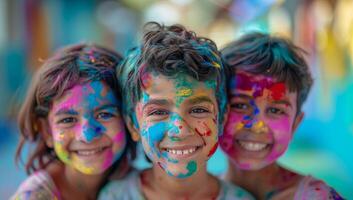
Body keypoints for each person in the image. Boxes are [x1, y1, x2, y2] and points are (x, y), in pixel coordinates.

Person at [98, 22, 254, 200]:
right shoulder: (113, 196)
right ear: (133, 125)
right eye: (158, 112)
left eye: (198, 109)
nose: (179, 130)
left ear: (221, 120)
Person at [219, 32, 344, 199]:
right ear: (217, 112)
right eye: (240, 105)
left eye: (276, 110)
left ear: (295, 125)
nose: (257, 126)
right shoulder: (197, 194)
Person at [12, 44, 135, 200]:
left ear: (129, 119)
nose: (87, 135)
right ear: (47, 131)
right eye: (68, 120)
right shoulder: (33, 196)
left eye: (104, 114)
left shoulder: (139, 188)